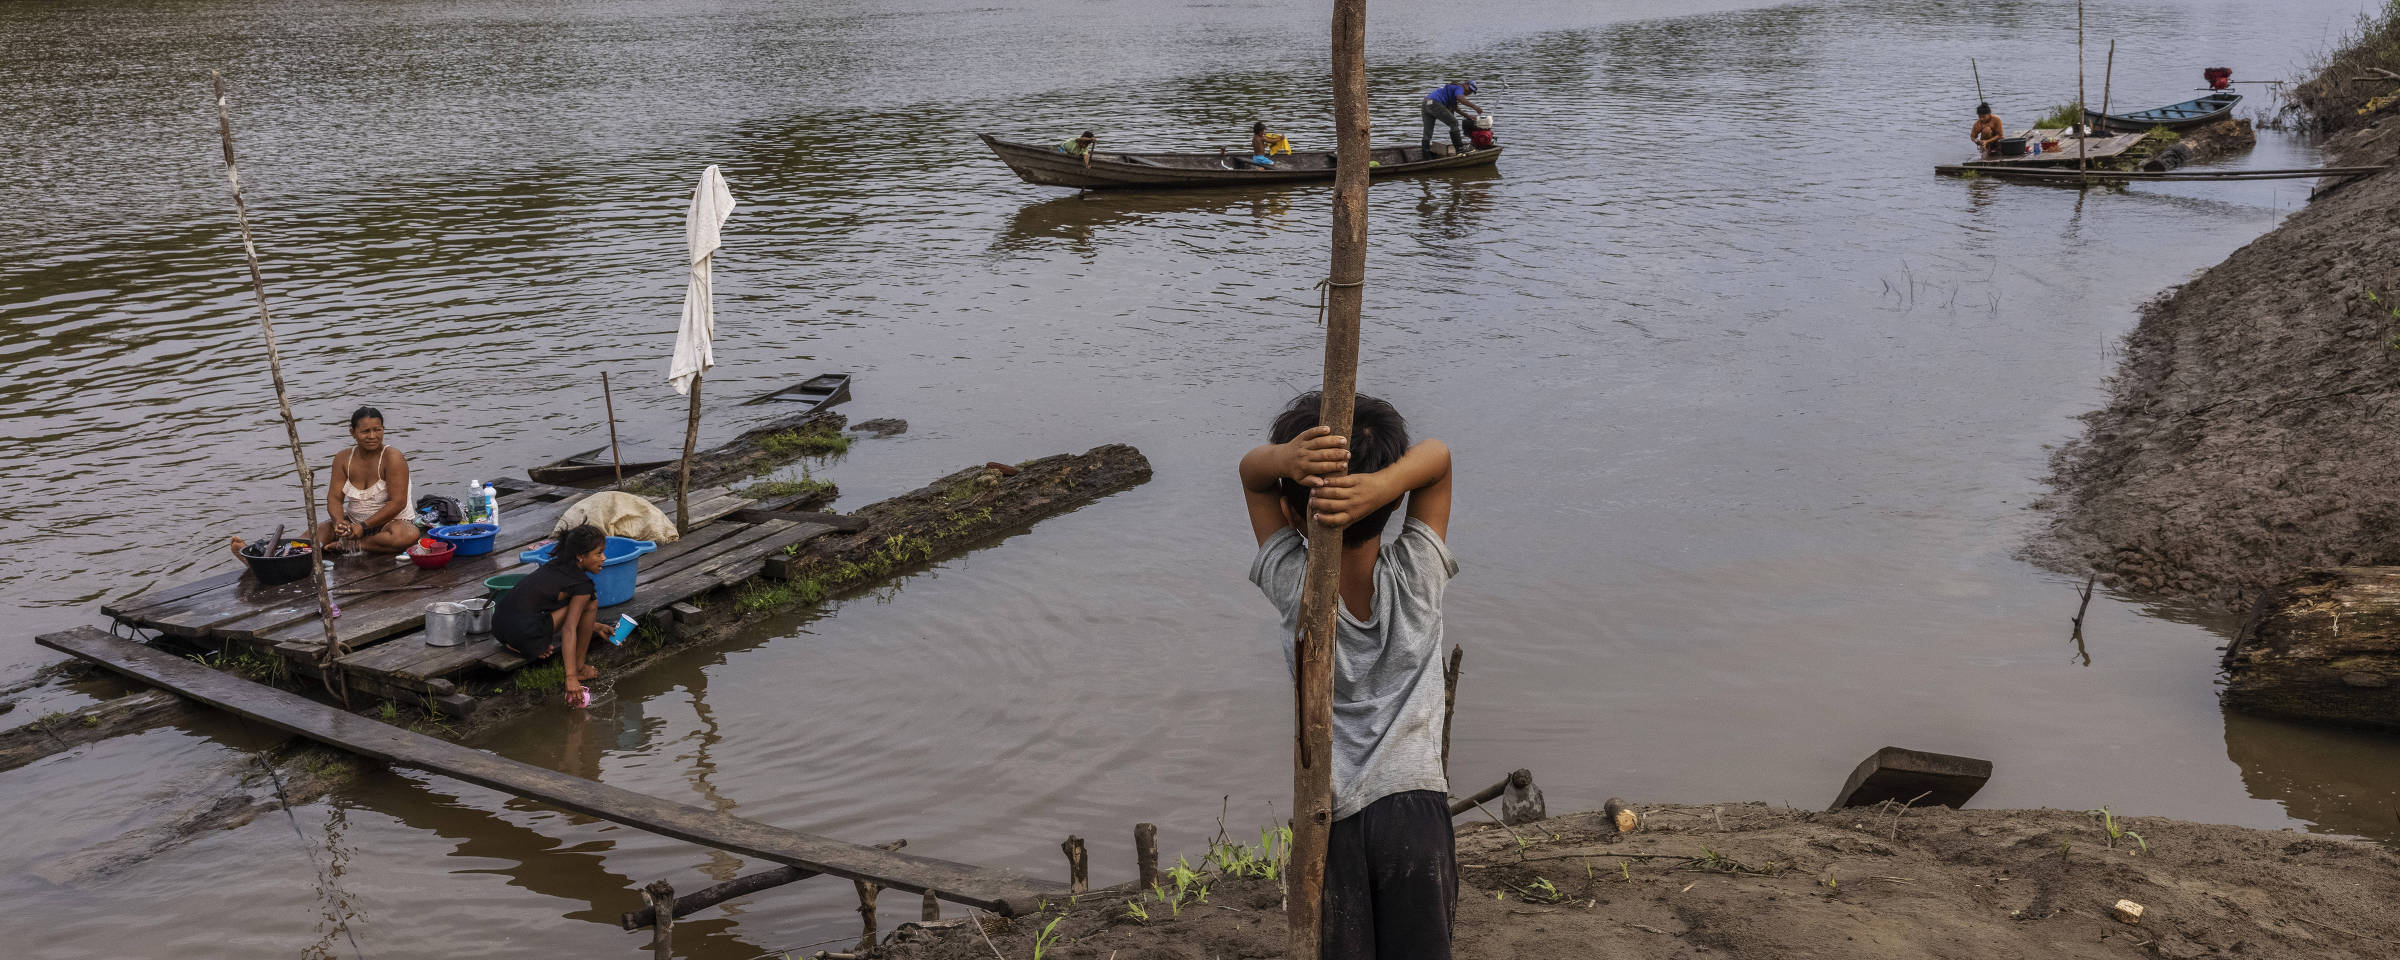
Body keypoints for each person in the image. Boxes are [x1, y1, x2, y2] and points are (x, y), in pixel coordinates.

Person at [1239, 392, 1457, 960]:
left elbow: (1251, 475)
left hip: (1329, 815)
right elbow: (1437, 461)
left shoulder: (1296, 586)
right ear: (1389, 506)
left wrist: (1288, 461)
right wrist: (1382, 485)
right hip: (1416, 811)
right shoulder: (1418, 576)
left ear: (1291, 513)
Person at [227, 405, 417, 558]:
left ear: (383, 430)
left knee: (406, 535)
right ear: (352, 432)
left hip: (389, 523)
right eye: (365, 431)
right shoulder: (343, 458)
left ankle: (356, 546)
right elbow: (335, 499)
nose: (372, 436)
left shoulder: (392, 457)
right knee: (311, 538)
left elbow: (397, 503)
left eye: (377, 430)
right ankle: (268, 559)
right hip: (353, 523)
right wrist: (339, 522)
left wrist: (363, 528)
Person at [494, 523, 614, 707]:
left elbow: (549, 603)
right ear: (580, 556)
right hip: (523, 633)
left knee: (578, 602)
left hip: (500, 625)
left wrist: (594, 627)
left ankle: (520, 645)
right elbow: (568, 629)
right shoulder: (582, 585)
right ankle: (580, 668)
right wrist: (571, 677)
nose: (603, 558)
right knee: (591, 601)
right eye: (598, 553)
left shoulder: (559, 564)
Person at [1420, 80, 1483, 155]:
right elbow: (1460, 98)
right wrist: (1475, 107)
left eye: (1471, 92)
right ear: (1465, 84)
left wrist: (1467, 116)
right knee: (1454, 123)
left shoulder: (1452, 89)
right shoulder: (1459, 88)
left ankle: (1425, 154)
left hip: (1426, 103)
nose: (1469, 92)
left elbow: (1454, 107)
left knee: (1427, 131)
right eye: (1469, 89)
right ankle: (1459, 149)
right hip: (1434, 103)